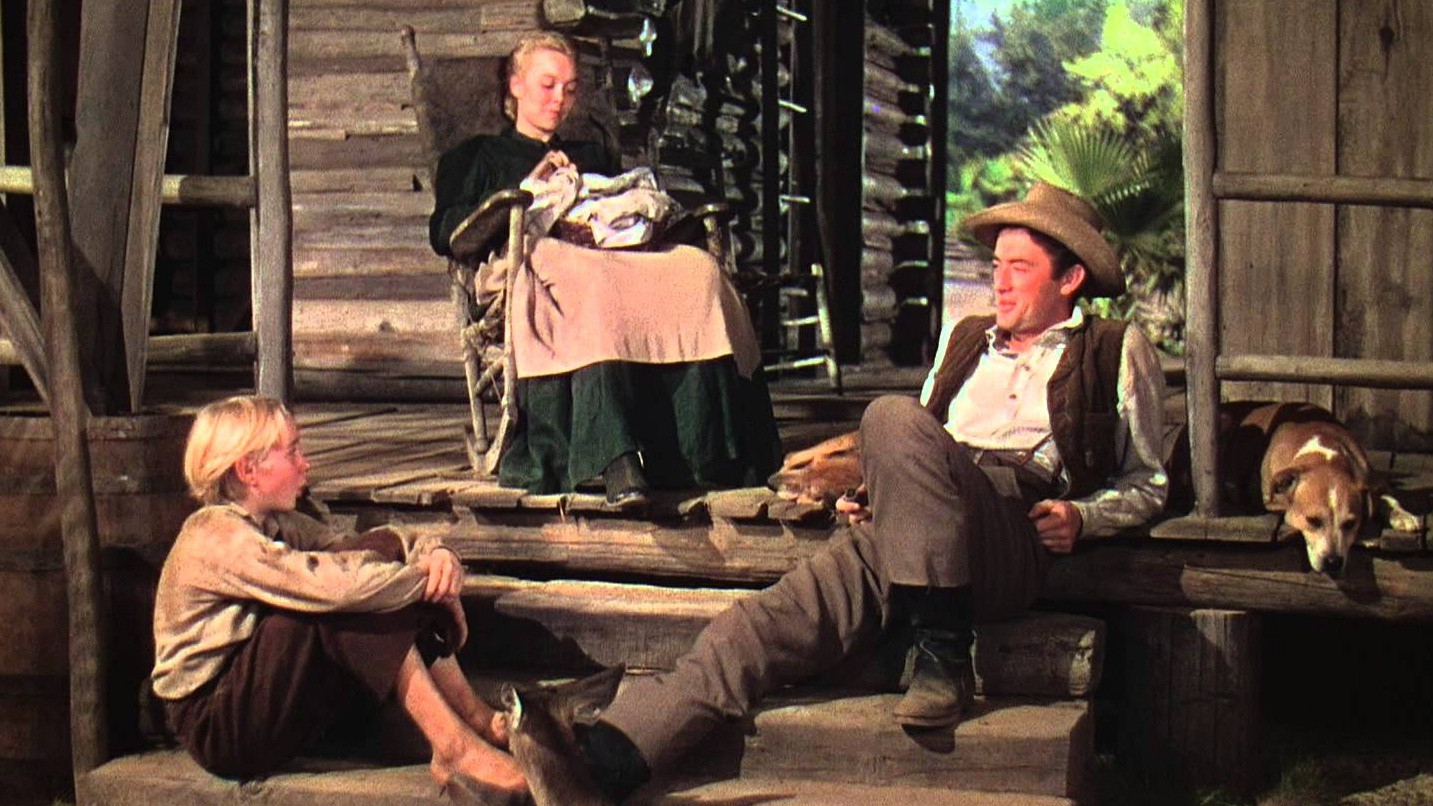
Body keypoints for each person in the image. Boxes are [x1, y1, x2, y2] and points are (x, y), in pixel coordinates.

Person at [571, 182, 1170, 800]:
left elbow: (1149, 481)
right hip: (919, 522)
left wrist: (1085, 516)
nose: (1001, 284)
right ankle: (606, 759)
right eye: (996, 267)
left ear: (1070, 278)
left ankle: (943, 652)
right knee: (760, 624)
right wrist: (875, 488)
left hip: (1008, 529)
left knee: (889, 415)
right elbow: (922, 444)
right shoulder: (966, 337)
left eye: (1020, 268)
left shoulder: (1113, 349)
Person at [428, 32, 781, 504]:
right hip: (530, 262)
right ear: (515, 85)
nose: (560, 99)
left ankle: (709, 452)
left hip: (609, 255)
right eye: (548, 85)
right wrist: (530, 187)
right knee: (587, 275)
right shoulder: (478, 156)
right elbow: (447, 232)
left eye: (570, 89)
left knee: (696, 270)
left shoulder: (590, 153)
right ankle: (617, 459)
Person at [150, 395, 526, 801]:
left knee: (371, 558)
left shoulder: (276, 523)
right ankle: (453, 748)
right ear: (248, 470)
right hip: (219, 725)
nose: (305, 463)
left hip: (265, 698)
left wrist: (437, 556)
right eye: (292, 451)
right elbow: (332, 587)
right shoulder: (214, 538)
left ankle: (474, 716)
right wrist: (423, 585)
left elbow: (374, 546)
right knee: (339, 600)